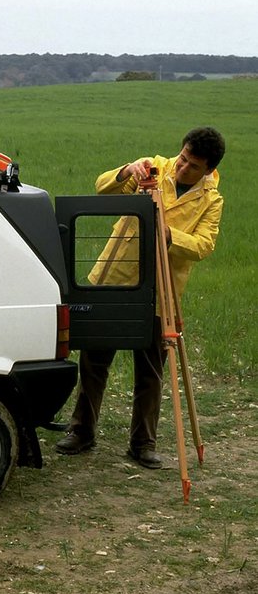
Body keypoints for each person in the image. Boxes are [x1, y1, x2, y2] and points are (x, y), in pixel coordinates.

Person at [56, 126, 225, 469]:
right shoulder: (153, 169)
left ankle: (142, 443)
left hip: (160, 293)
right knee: (94, 362)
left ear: (208, 170)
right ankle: (81, 430)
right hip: (111, 279)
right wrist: (125, 171)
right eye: (182, 158)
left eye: (192, 165)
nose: (181, 168)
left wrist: (169, 235)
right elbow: (102, 187)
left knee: (150, 372)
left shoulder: (211, 201)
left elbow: (204, 246)